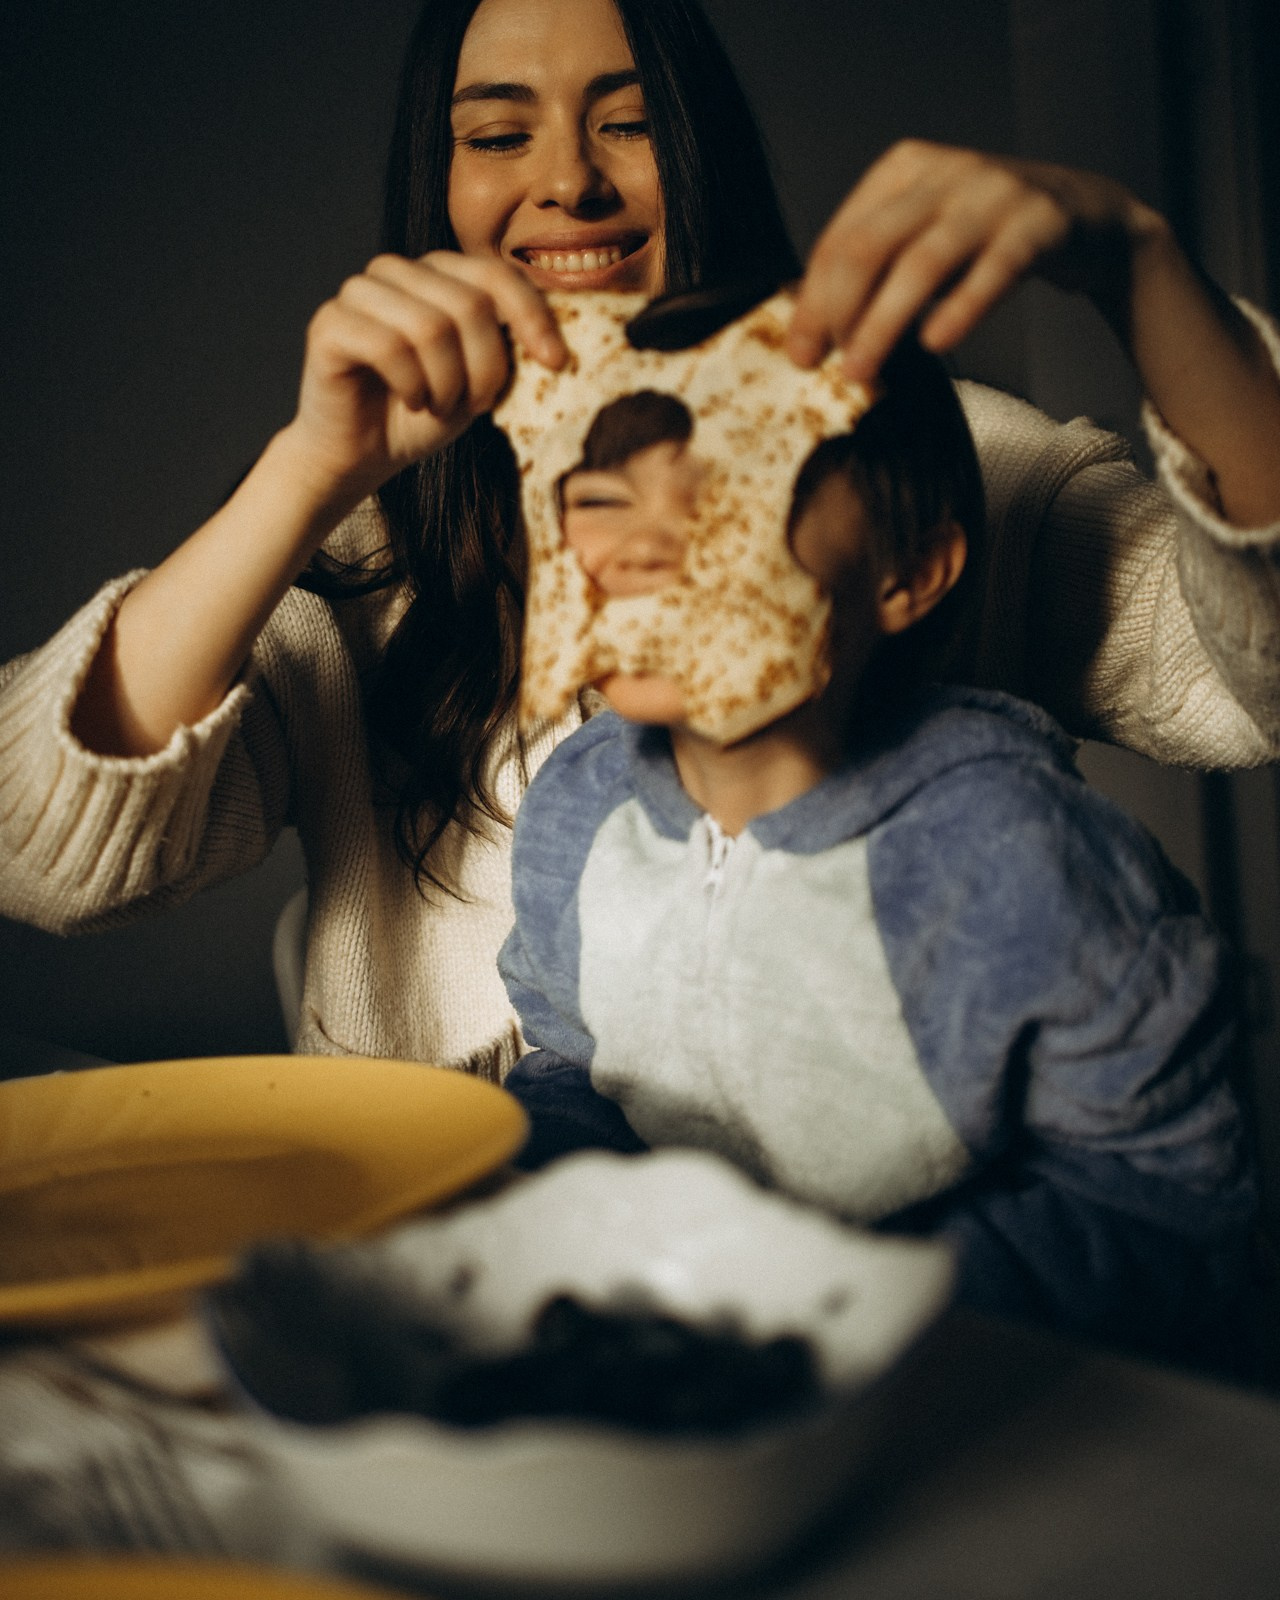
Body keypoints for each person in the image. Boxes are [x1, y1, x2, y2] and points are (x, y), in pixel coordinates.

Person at [1, 0, 1278, 1076]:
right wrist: (310, 471)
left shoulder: (943, 469)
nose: (568, 181)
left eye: (627, 122)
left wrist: (1138, 264)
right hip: (445, 1227)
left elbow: (1248, 669)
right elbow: (37, 857)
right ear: (440, 187)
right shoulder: (362, 541)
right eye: (498, 135)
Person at [499, 340, 1256, 1369]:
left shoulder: (1012, 853)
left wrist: (869, 1302)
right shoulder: (575, 810)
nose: (641, 554)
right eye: (605, 500)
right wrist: (535, 1199)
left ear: (909, 573)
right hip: (691, 1373)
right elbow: (575, 1068)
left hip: (981, 1384)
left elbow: (1167, 1199)